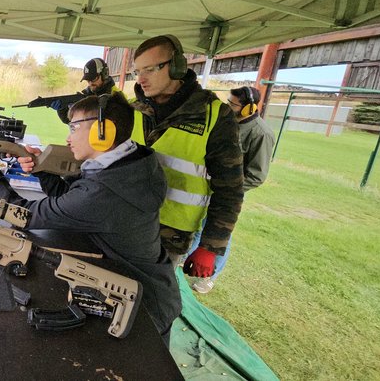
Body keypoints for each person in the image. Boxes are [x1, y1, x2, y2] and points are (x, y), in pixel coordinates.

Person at [0, 92, 181, 344]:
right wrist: (42, 171)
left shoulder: (101, 193)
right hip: (146, 285)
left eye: (74, 128)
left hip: (143, 309)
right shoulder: (132, 164)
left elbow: (22, 215)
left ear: (103, 132)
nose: (68, 137)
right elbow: (72, 198)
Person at [128, 35, 244, 281]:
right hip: (121, 222)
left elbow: (230, 188)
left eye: (149, 69)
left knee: (151, 298)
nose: (140, 79)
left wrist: (210, 246)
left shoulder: (214, 116)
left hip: (168, 238)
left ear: (177, 67)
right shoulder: (131, 108)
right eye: (137, 71)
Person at [189, 86, 276, 293]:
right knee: (201, 226)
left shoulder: (261, 133)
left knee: (220, 231)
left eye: (233, 104)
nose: (228, 106)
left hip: (227, 193)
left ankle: (209, 277)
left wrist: (227, 188)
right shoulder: (227, 123)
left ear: (248, 108)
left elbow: (257, 176)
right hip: (207, 187)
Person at [51, 58, 124, 124]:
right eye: (88, 80)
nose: (90, 83)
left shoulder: (117, 96)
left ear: (104, 74)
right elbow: (70, 120)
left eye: (93, 79)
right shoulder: (86, 94)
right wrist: (62, 109)